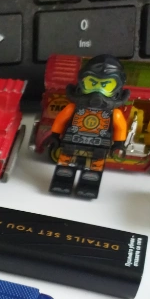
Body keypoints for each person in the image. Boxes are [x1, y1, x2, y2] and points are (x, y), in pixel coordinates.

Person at [48, 54, 130, 199]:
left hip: (98, 147)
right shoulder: (72, 108)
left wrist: (118, 144)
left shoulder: (114, 113)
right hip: (71, 143)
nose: (97, 93)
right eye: (91, 83)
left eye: (106, 85)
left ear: (117, 88)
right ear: (81, 82)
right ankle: (61, 184)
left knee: (92, 172)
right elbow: (60, 121)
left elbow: (120, 127)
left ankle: (88, 187)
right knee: (65, 167)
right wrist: (55, 136)